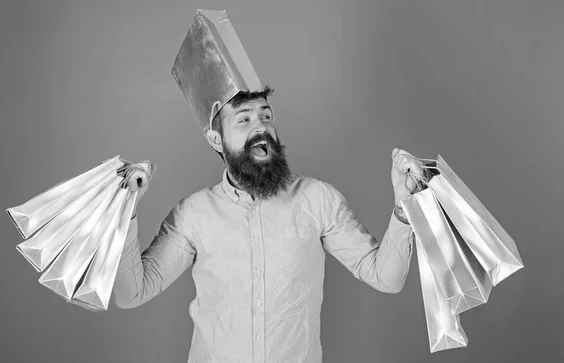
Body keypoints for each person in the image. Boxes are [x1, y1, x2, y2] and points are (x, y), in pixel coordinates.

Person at [113, 10, 425, 363]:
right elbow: (131, 292)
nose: (260, 126)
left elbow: (387, 278)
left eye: (265, 115)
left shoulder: (317, 200)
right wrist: (126, 207)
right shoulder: (193, 215)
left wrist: (404, 207)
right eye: (243, 119)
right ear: (216, 139)